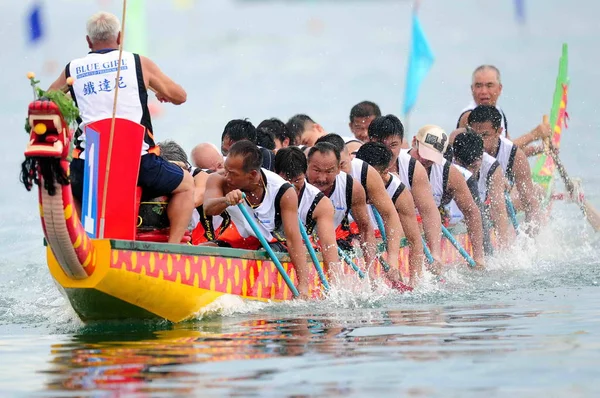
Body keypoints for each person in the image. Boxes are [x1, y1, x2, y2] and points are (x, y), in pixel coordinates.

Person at [48, 11, 193, 243]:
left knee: (74, 187)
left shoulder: (72, 69)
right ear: (119, 37)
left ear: (88, 41)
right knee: (187, 184)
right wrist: (157, 90)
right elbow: (180, 96)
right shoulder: (139, 62)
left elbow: (45, 102)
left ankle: (81, 244)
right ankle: (172, 249)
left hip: (90, 165)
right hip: (139, 163)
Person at [202, 141, 310, 297]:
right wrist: (225, 200)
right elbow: (208, 208)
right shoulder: (218, 180)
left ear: (252, 174)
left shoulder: (283, 191)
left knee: (264, 251)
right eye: (226, 170)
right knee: (207, 247)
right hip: (244, 240)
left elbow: (294, 240)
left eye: (233, 173)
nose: (226, 176)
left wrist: (303, 285)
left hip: (275, 243)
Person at [315, 134, 403, 276]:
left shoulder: (365, 173)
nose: (338, 173)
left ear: (350, 157)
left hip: (343, 229)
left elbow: (389, 215)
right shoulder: (309, 174)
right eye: (330, 168)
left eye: (342, 165)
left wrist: (390, 262)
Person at [367, 115, 444, 272]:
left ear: (402, 143)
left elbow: (428, 212)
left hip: (396, 229)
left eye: (394, 145)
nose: (388, 151)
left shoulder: (413, 168)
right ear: (371, 141)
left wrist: (436, 255)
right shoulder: (360, 164)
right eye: (381, 144)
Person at [409, 125, 485, 268]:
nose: (425, 161)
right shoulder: (395, 163)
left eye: (431, 157)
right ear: (414, 142)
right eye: (423, 154)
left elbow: (472, 212)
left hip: (428, 223)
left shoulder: (449, 172)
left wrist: (479, 257)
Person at [355, 142, 424, 284]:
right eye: (367, 176)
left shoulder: (399, 193)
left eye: (374, 175)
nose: (370, 180)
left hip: (376, 236)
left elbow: (415, 240)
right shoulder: (350, 179)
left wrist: (413, 281)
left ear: (385, 172)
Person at [467, 105, 541, 231]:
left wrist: (530, 238)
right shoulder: (463, 147)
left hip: (502, 203)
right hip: (472, 205)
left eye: (485, 135)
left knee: (532, 194)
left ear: (499, 132)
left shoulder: (515, 155)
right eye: (475, 135)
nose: (479, 142)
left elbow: (529, 202)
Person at [305, 142, 377, 271]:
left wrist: (370, 271)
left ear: (338, 168)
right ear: (306, 166)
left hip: (332, 241)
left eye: (329, 171)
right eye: (316, 170)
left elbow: (365, 230)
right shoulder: (294, 187)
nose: (322, 178)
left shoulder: (352, 188)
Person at [456, 65, 552, 156]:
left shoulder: (498, 112)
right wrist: (533, 135)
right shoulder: (470, 116)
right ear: (472, 89)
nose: (483, 91)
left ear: (499, 88)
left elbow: (510, 153)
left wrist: (540, 149)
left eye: (489, 85)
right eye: (478, 86)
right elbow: (498, 152)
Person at [274, 147, 340, 272]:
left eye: (297, 180)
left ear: (305, 174)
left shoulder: (321, 203)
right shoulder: (266, 191)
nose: (291, 187)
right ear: (274, 173)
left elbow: (328, 245)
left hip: (304, 247)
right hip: (272, 246)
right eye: (285, 181)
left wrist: (334, 282)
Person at [452, 132, 511, 250]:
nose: (470, 173)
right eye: (464, 168)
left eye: (473, 167)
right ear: (455, 159)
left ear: (481, 157)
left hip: (481, 209)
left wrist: (504, 251)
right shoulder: (446, 163)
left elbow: (499, 211)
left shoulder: (491, 166)